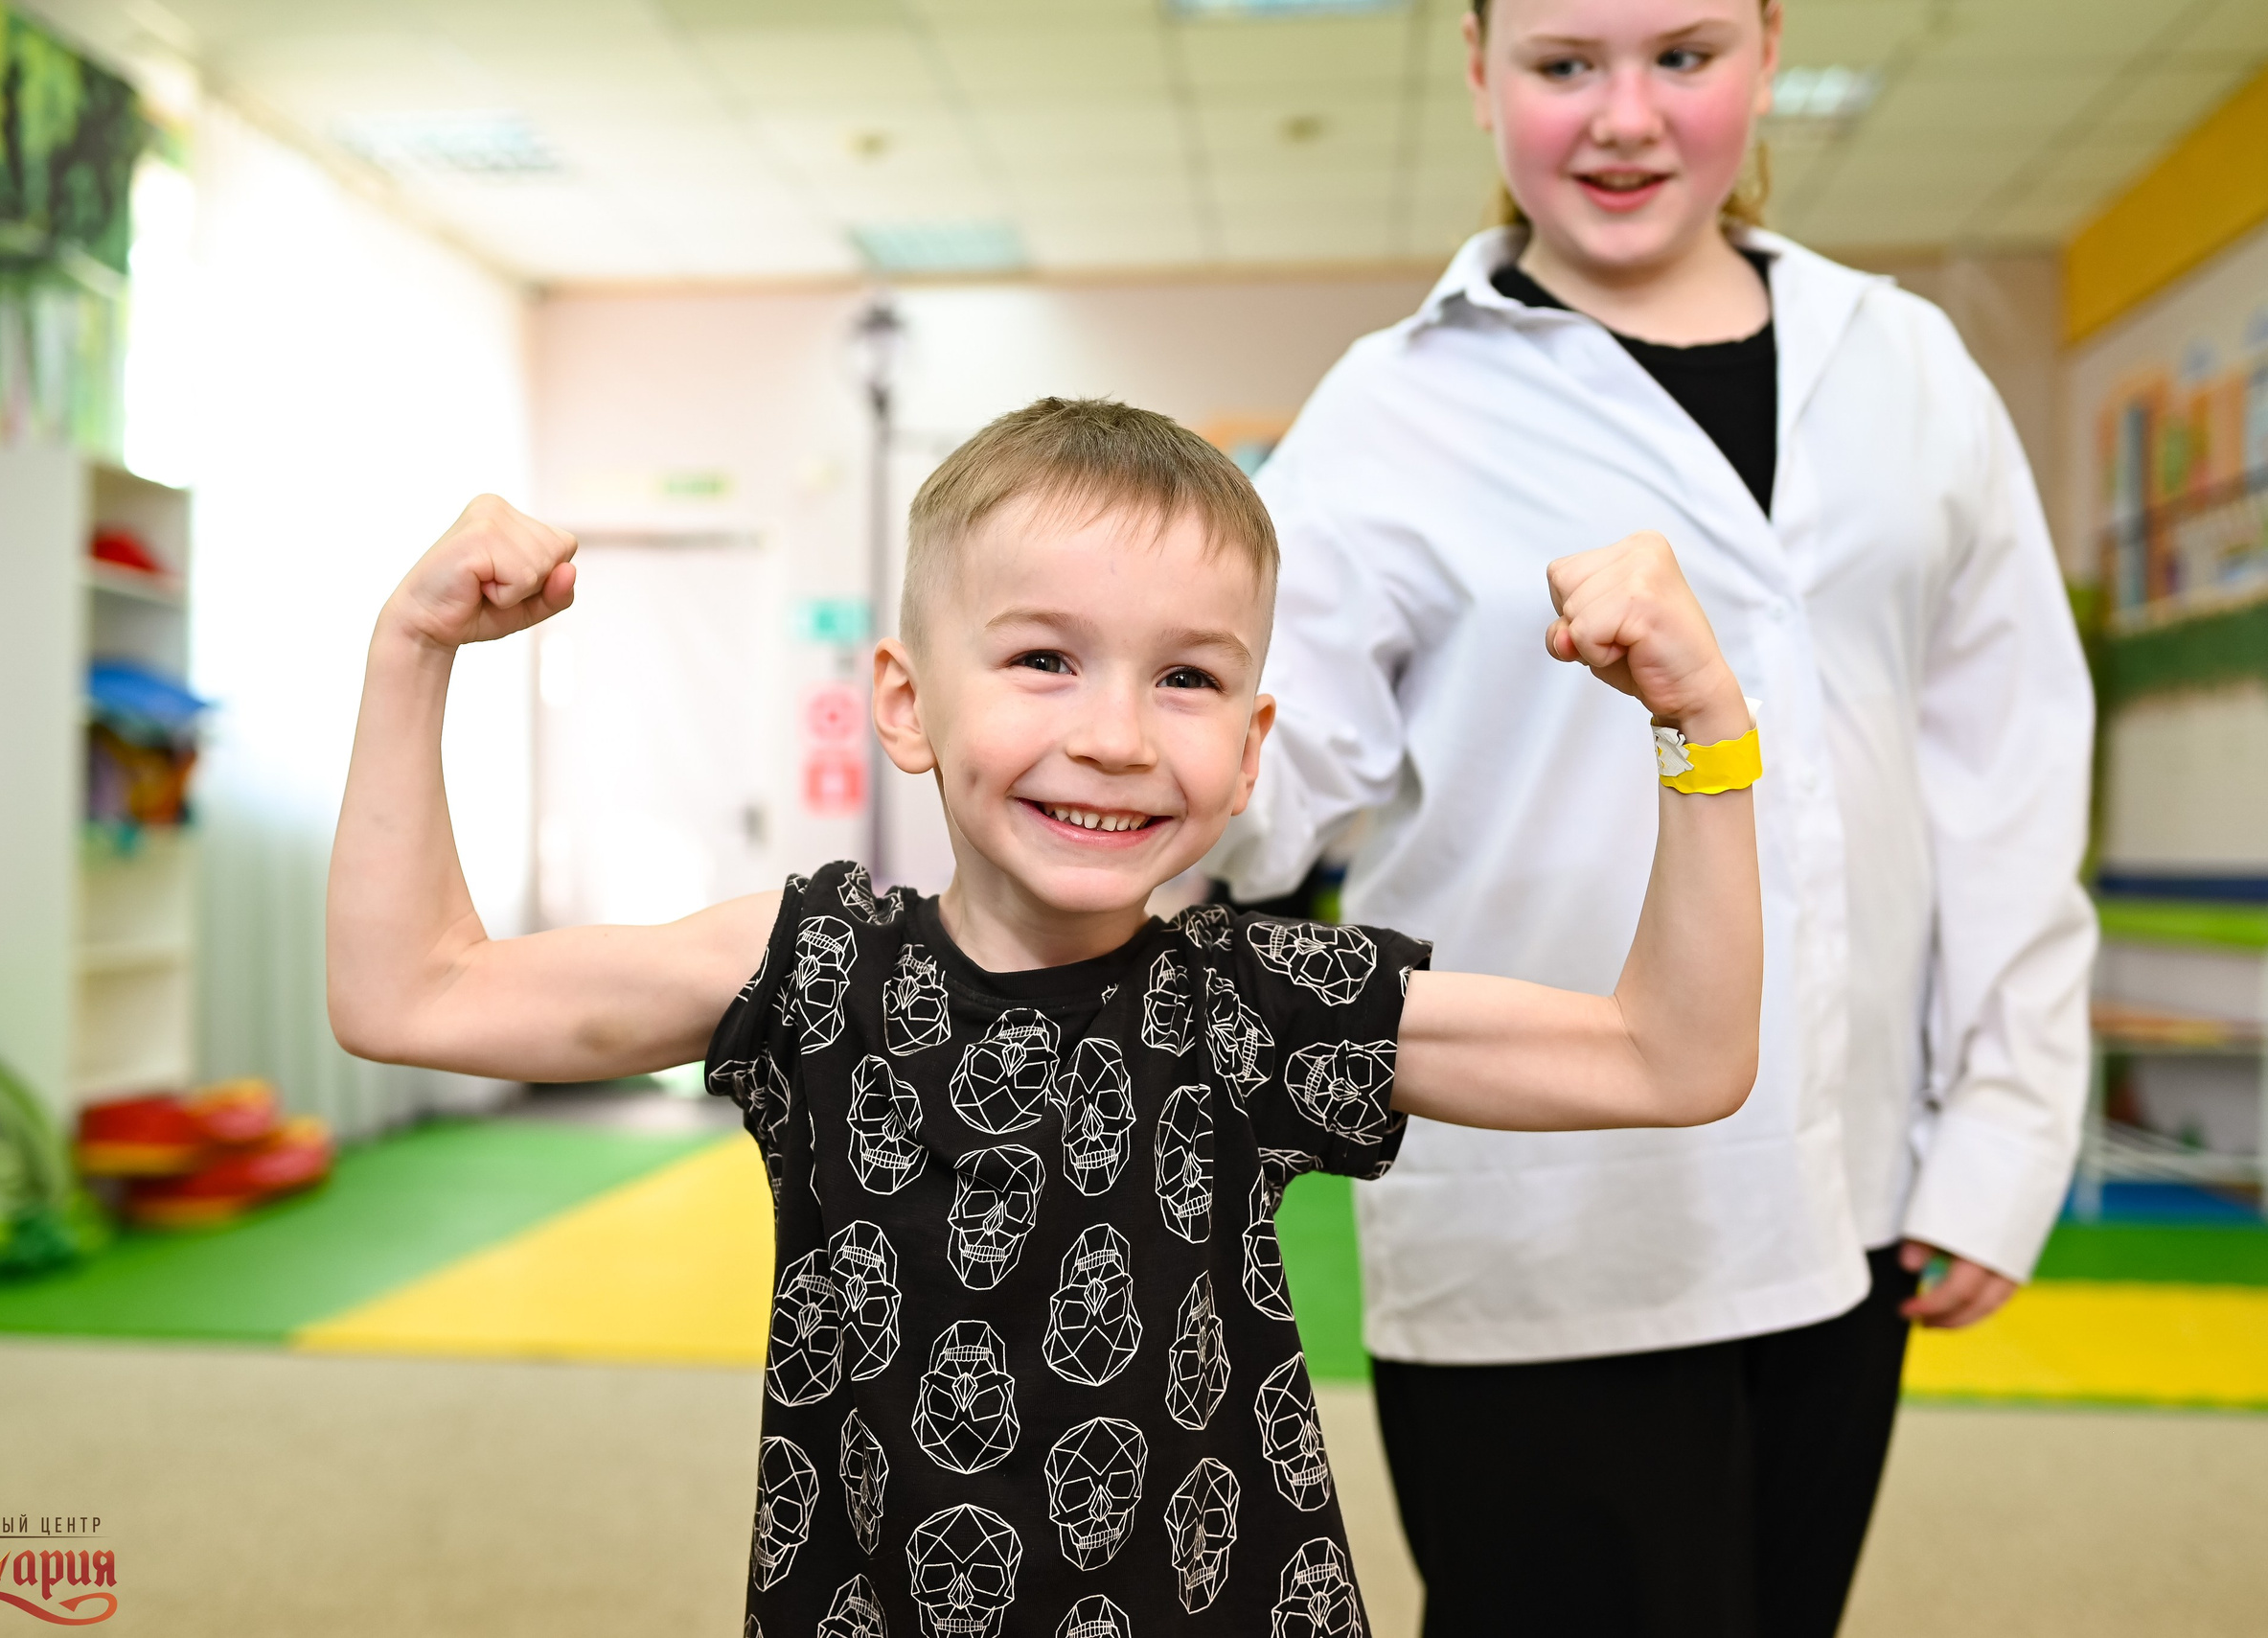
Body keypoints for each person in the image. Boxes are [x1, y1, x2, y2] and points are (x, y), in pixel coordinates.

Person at [327, 397, 1769, 1636]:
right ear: (906, 702)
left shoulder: (1253, 1008)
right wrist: (411, 647)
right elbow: (411, 990)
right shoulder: (812, 972)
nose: (1119, 735)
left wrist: (1703, 720)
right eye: (1042, 659)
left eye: (1189, 677)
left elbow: (1674, 1054)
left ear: (1253, 745)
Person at [1203, 2, 2096, 1635]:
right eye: (1563, 67)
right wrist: (1082, 736)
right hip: (1541, 1215)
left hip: (1852, 1193)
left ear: (1767, 46)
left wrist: (2007, 1131)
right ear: (1478, 76)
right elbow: (1266, 781)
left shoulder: (1906, 366)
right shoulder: (1392, 406)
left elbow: (2008, 767)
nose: (1625, 117)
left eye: (1683, 56)